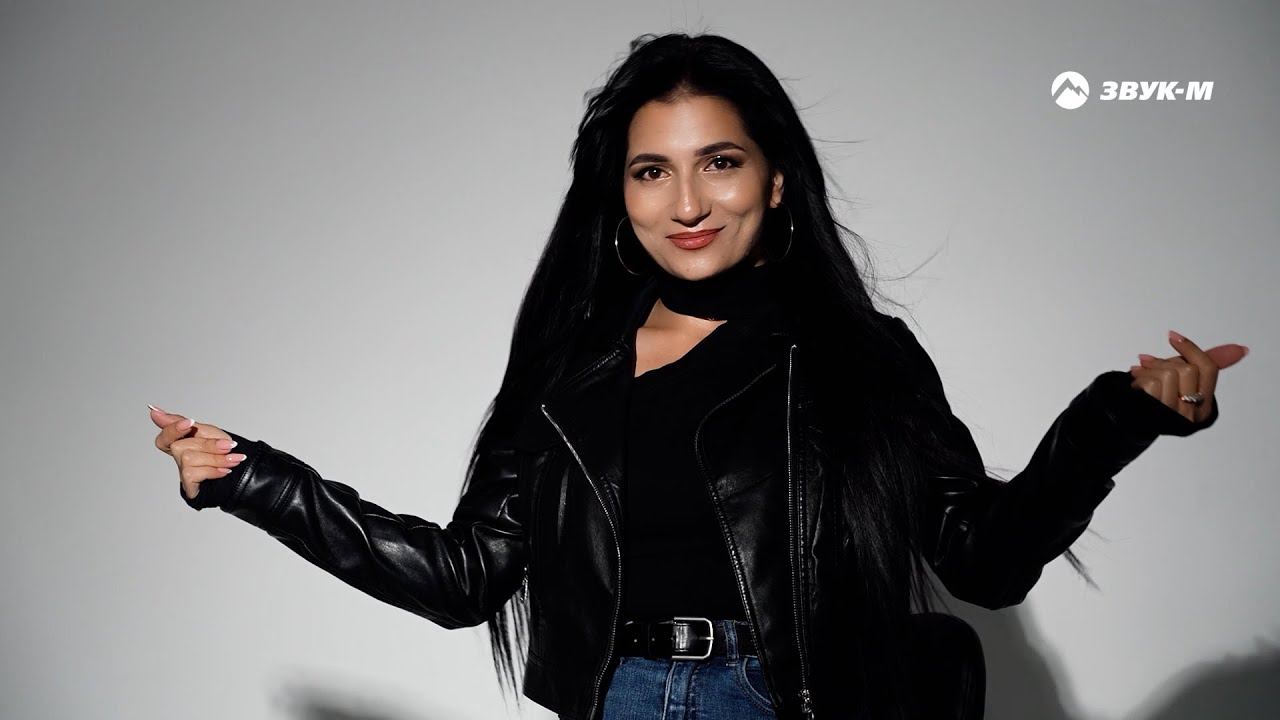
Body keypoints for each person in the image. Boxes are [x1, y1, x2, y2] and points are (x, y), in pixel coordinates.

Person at [148, 33, 1245, 720]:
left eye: (719, 162)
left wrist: (1119, 419)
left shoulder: (858, 355)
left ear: (774, 180)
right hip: (621, 703)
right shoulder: (567, 376)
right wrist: (250, 478)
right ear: (618, 196)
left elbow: (984, 560)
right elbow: (463, 577)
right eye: (651, 171)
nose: (686, 203)